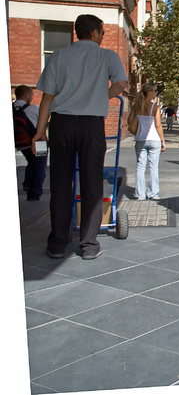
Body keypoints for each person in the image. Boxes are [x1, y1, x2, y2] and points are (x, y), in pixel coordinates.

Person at [32, 14, 128, 260]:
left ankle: (57, 243)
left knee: (61, 184)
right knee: (91, 184)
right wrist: (100, 96)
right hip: (91, 125)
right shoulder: (107, 56)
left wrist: (40, 131)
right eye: (103, 32)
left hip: (61, 124)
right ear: (95, 32)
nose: (103, 36)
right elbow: (120, 84)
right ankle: (88, 244)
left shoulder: (59, 56)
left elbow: (47, 98)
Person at [128, 83, 166, 200]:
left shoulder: (137, 106)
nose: (156, 93)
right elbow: (158, 125)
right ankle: (153, 193)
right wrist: (163, 141)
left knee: (140, 167)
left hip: (140, 139)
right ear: (149, 92)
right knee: (154, 167)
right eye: (154, 91)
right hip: (154, 139)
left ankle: (140, 194)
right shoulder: (155, 107)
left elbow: (129, 120)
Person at [13, 85, 47, 201]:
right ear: (26, 96)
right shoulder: (32, 109)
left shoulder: (11, 108)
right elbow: (41, 125)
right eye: (31, 96)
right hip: (38, 142)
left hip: (21, 143)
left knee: (32, 162)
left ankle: (28, 182)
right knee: (40, 166)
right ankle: (34, 193)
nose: (32, 98)